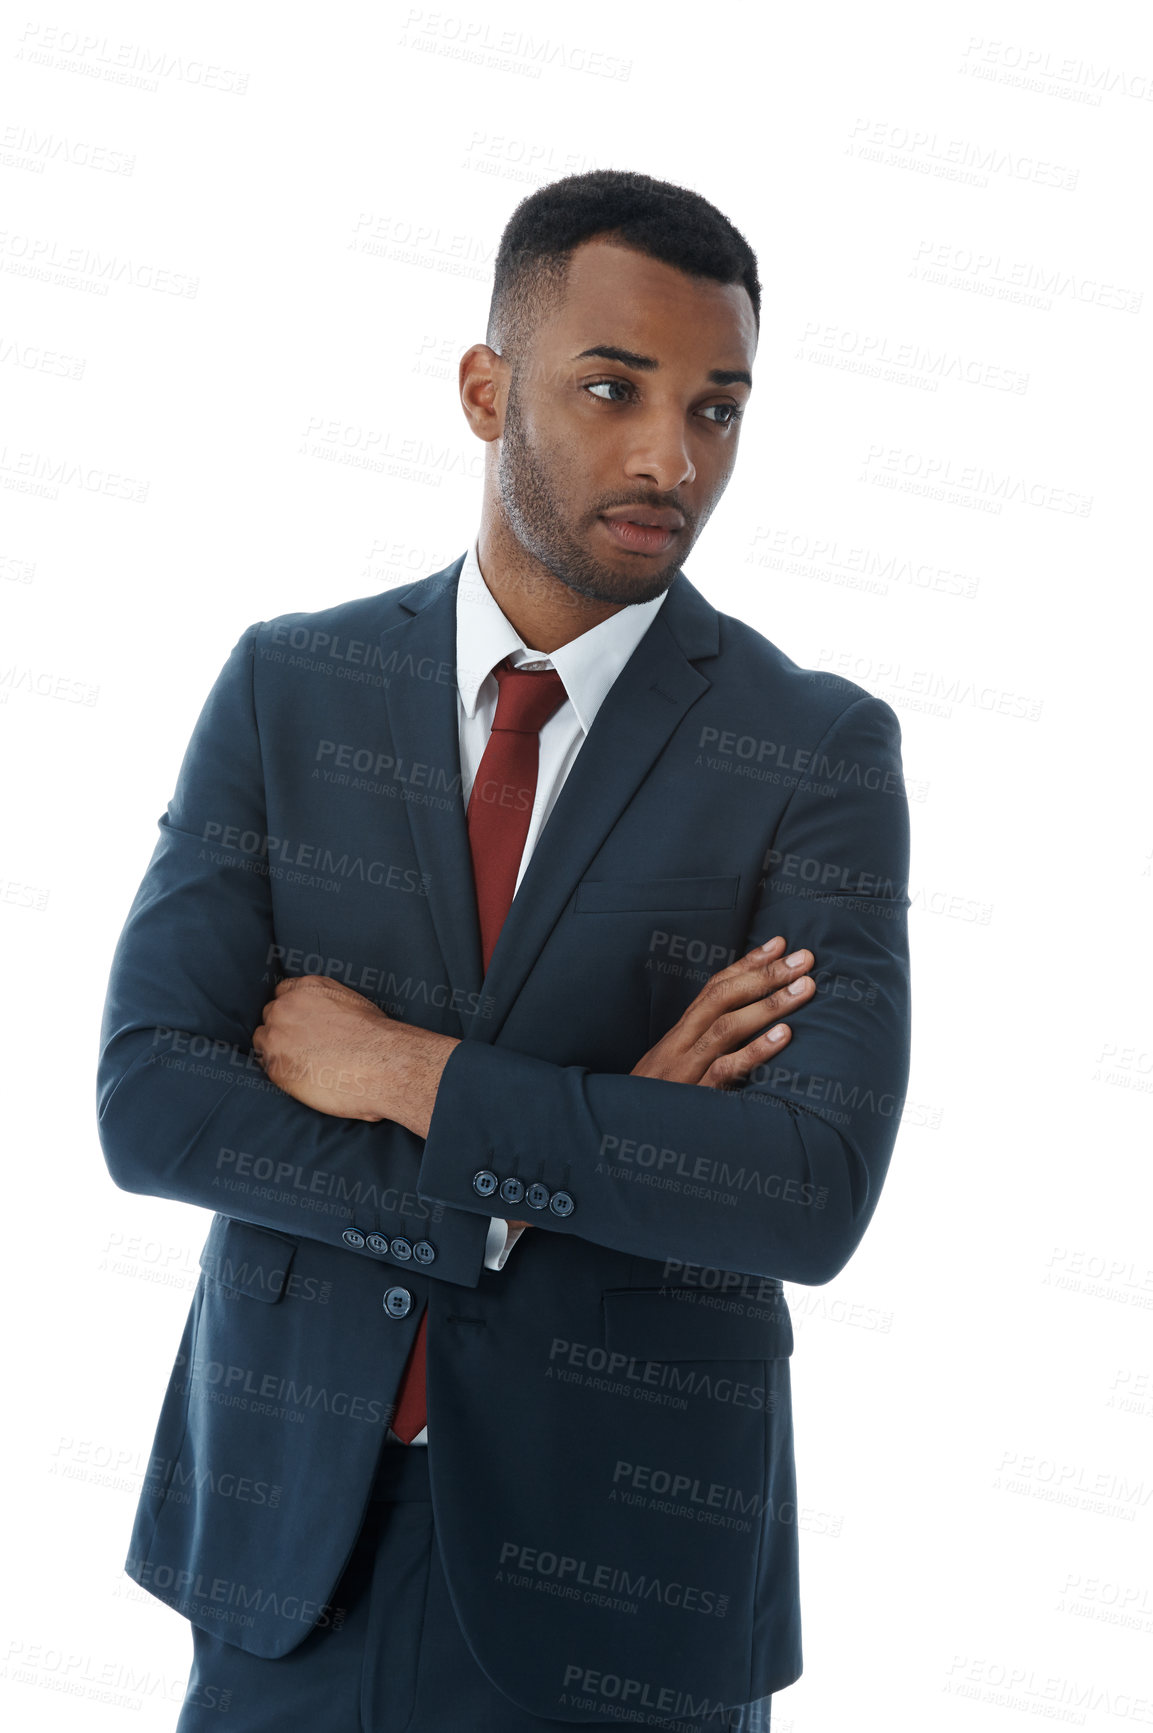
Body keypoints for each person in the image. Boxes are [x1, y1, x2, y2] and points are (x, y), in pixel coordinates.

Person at [97, 167, 912, 1732]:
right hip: (287, 1565)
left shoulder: (810, 750)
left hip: (626, 1584)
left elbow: (803, 1188)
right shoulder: (289, 687)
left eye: (718, 409)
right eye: (613, 388)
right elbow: (154, 1103)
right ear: (486, 388)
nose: (670, 456)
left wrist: (405, 1072)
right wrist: (555, 1165)